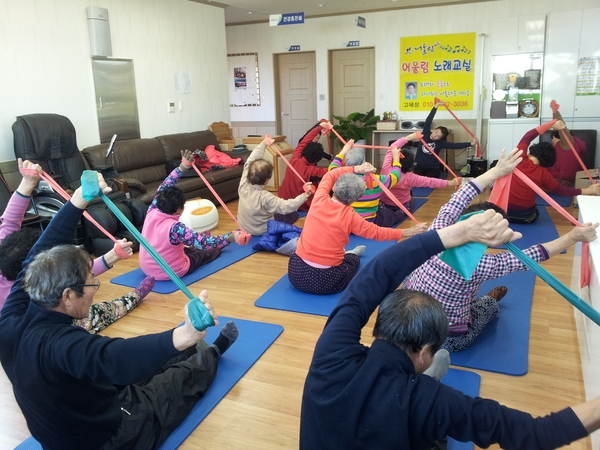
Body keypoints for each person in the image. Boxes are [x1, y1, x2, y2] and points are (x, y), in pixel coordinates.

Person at [300, 207, 600, 450]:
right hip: (447, 344)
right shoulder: (430, 401)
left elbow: (377, 274)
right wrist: (572, 237)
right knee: (484, 310)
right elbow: (536, 434)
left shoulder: (331, 353)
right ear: (427, 351)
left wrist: (455, 232)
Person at [0, 172, 239, 450]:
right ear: (67, 295)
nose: (95, 288)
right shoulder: (61, 345)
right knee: (177, 382)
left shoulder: (12, 314)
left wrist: (78, 200)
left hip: (76, 413)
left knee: (158, 359)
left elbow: (38, 254)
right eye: (91, 283)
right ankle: (214, 351)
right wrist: (185, 334)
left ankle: (186, 350)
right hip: (105, 438)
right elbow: (113, 359)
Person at [402, 148, 599, 351]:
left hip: (407, 318)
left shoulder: (438, 229)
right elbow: (532, 256)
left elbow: (460, 197)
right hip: (443, 337)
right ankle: (484, 301)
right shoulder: (481, 264)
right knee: (488, 307)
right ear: (491, 238)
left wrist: (496, 171)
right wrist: (573, 237)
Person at [0, 159, 154, 333]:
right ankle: (134, 296)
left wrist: (27, 183)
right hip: (43, 329)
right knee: (100, 313)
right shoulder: (31, 294)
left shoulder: (9, 254)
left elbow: (10, 221)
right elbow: (73, 275)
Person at [288, 151, 426, 295]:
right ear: (355, 199)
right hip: (325, 282)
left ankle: (343, 254)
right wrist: (408, 232)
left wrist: (356, 169)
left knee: (309, 253)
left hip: (296, 273)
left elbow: (330, 174)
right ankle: (349, 254)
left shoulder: (319, 198)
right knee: (353, 260)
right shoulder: (351, 216)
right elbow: (377, 232)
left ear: (334, 187)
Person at [140, 150, 242, 280]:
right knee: (207, 252)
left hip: (147, 268)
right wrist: (230, 237)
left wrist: (183, 166)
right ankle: (223, 243)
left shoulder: (154, 208)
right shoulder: (176, 228)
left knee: (190, 246)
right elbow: (204, 243)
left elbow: (167, 184)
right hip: (169, 272)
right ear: (178, 209)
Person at [507, 120, 600, 223]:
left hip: (503, 213)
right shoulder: (544, 174)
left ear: (532, 151)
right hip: (525, 217)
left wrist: (551, 124)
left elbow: (528, 136)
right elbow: (562, 191)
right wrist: (587, 190)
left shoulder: (519, 158)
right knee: (535, 210)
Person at [329, 139, 429, 230]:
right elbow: (396, 176)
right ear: (364, 161)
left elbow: (333, 166)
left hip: (345, 220)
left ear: (345, 162)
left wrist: (344, 150)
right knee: (390, 215)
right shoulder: (377, 180)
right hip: (369, 221)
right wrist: (396, 159)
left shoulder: (338, 176)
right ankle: (400, 213)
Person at [237, 136, 312, 235]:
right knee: (292, 213)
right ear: (266, 181)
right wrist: (305, 195)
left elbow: (251, 159)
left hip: (244, 227)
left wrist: (264, 143)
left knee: (276, 209)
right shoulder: (265, 197)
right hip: (262, 230)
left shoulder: (244, 183)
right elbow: (286, 207)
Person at [379, 133, 459, 224]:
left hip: (384, 204)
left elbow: (393, 146)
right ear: (410, 165)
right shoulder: (410, 177)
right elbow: (430, 182)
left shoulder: (386, 169)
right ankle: (397, 213)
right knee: (410, 195)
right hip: (401, 206)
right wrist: (451, 183)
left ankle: (389, 213)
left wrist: (410, 137)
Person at [275, 120, 332, 223]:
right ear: (316, 160)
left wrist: (320, 126)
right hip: (299, 206)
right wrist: (342, 161)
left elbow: (305, 140)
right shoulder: (312, 170)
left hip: (283, 200)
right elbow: (332, 171)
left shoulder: (294, 158)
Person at [414, 100, 476, 178]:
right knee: (416, 179)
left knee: (429, 180)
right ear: (434, 130)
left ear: (440, 138)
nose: (434, 135)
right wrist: (435, 107)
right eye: (435, 132)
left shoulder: (441, 143)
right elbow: (428, 120)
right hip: (420, 165)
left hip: (432, 167)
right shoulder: (426, 132)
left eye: (438, 136)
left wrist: (471, 143)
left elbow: (455, 145)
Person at [547, 100, 587, 186]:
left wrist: (556, 112)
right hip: (559, 179)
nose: (552, 142)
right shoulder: (570, 145)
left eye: (552, 139)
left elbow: (562, 129)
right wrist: (554, 113)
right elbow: (557, 128)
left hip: (561, 180)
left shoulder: (567, 144)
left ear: (560, 138)